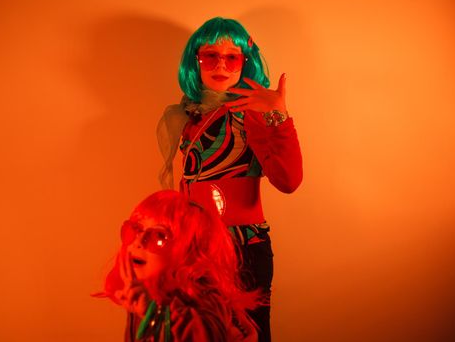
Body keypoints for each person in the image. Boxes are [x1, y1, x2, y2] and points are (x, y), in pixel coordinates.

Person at [156, 17, 303, 341]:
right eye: (210, 56)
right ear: (195, 60)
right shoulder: (188, 114)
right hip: (193, 246)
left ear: (244, 62)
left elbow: (289, 181)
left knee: (246, 333)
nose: (220, 64)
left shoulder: (251, 112)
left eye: (231, 56)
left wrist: (278, 116)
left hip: (243, 246)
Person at [95, 190, 259, 341]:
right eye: (136, 230)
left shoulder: (206, 301)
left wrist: (155, 313)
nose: (139, 241)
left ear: (189, 255)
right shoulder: (144, 296)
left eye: (159, 237)